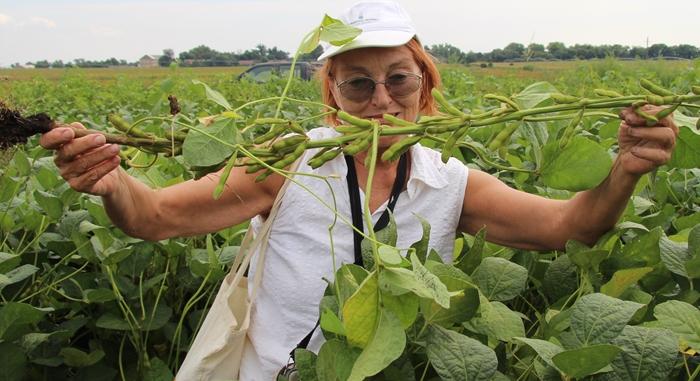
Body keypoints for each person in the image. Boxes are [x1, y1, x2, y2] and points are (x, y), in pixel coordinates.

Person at [39, 1, 677, 379]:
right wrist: (112, 181)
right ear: (331, 94)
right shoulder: (286, 166)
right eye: (357, 85)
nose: (381, 102)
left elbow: (571, 228)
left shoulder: (447, 181)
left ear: (425, 88)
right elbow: (153, 217)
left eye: (398, 80)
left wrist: (625, 170)